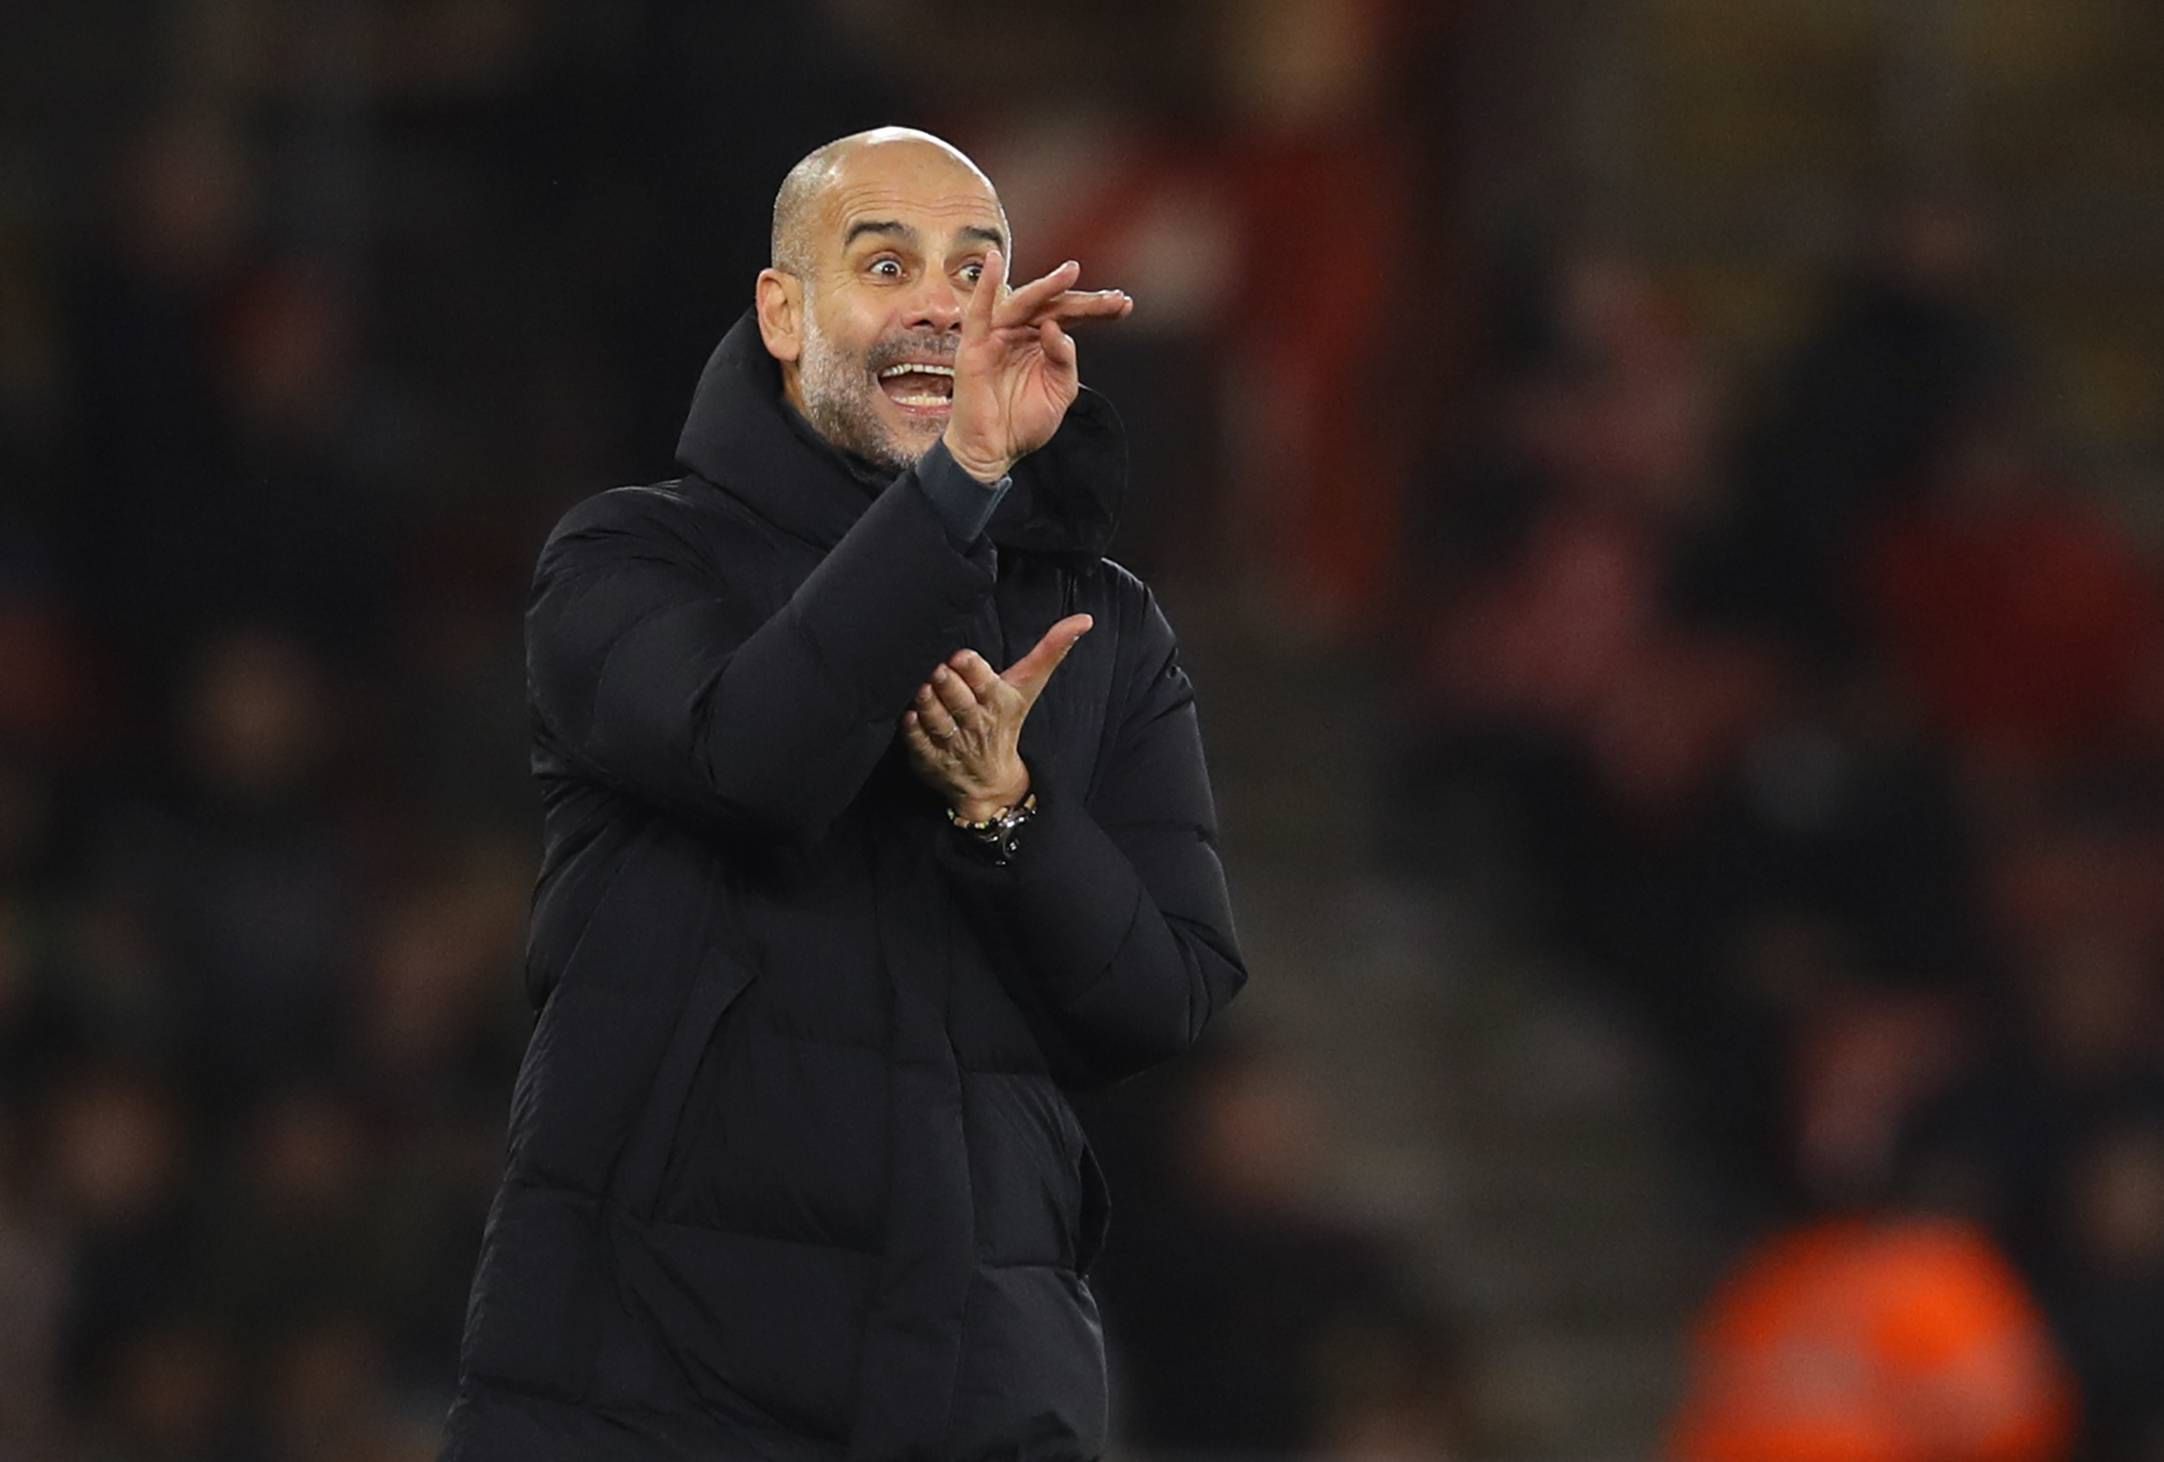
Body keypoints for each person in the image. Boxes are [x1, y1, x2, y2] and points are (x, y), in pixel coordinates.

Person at [439, 127, 1247, 1461]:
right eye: (887, 262)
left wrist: (1012, 814)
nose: (941, 301)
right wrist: (960, 491)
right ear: (782, 311)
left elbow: (1168, 989)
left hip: (977, 1386)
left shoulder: (1108, 628)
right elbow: (750, 757)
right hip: (647, 1386)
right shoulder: (629, 558)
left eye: (976, 269)